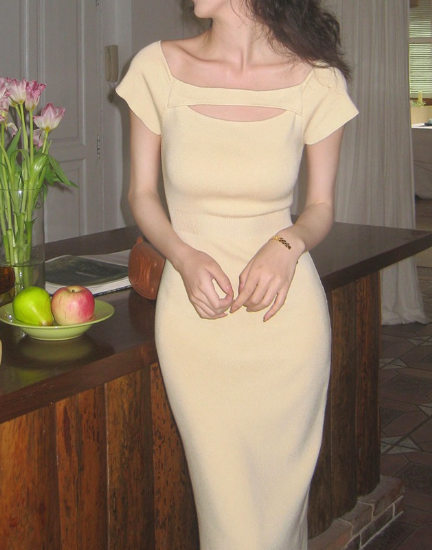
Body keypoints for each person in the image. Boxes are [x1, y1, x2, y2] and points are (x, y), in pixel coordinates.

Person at [117, 0, 358, 548]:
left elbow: (320, 207)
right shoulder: (156, 68)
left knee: (278, 521)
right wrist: (183, 256)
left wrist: (286, 244)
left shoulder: (317, 79)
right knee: (230, 519)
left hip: (285, 324)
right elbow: (142, 195)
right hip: (196, 327)